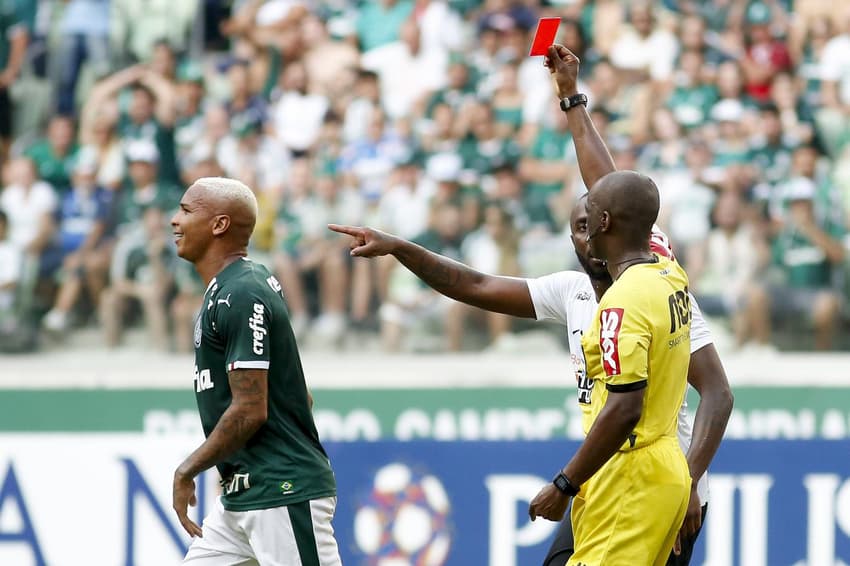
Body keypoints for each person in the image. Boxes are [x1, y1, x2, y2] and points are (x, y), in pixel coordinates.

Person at [330, 43, 733, 566]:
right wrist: (401, 248)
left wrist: (689, 482)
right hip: (604, 473)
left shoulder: (653, 287)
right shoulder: (576, 291)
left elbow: (714, 394)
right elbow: (474, 285)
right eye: (577, 227)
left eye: (594, 221)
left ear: (611, 226)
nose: (585, 233)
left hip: (656, 480)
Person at [169, 177, 341, 565]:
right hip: (244, 494)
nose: (174, 221)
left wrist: (188, 469)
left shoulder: (242, 291)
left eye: (185, 210)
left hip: (282, 491)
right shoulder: (236, 286)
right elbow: (300, 395)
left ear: (219, 225)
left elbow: (251, 408)